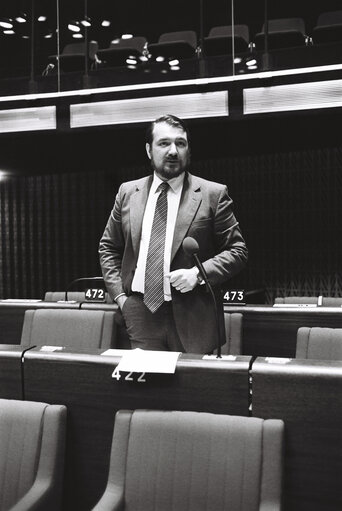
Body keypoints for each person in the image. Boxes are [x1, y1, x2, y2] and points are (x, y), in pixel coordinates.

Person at [99, 114, 247, 353]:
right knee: (145, 389)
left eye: (180, 143)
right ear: (149, 150)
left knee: (193, 388)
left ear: (188, 149)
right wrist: (120, 298)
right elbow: (108, 247)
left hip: (194, 315)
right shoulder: (128, 193)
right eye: (164, 143)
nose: (173, 151)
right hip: (140, 311)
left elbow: (238, 252)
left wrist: (199, 274)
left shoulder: (213, 194)